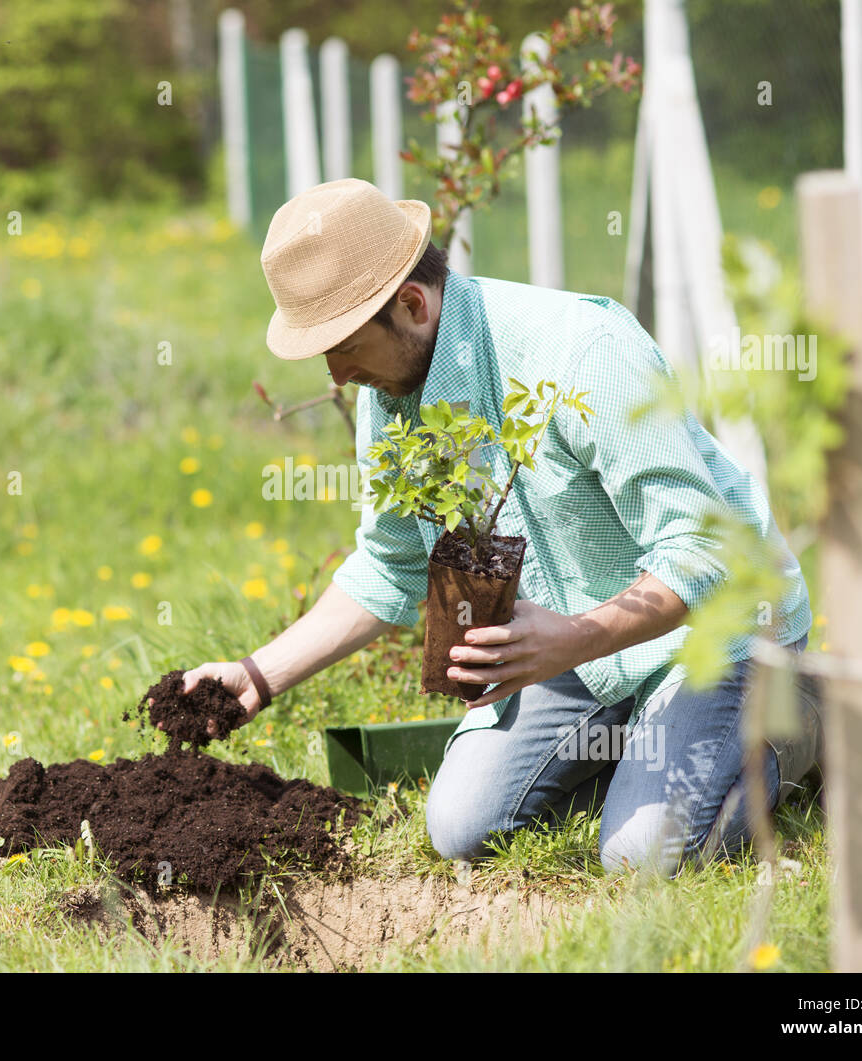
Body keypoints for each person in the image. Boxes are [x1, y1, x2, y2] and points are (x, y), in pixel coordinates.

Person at [184, 177, 822, 876]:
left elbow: (702, 550)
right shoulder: (395, 392)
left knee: (641, 860)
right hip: (574, 643)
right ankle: (650, 753)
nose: (336, 373)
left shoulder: (582, 353)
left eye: (342, 344)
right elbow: (391, 567)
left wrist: (575, 638)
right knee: (461, 825)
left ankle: (803, 727)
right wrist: (255, 676)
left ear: (412, 304)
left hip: (711, 630)